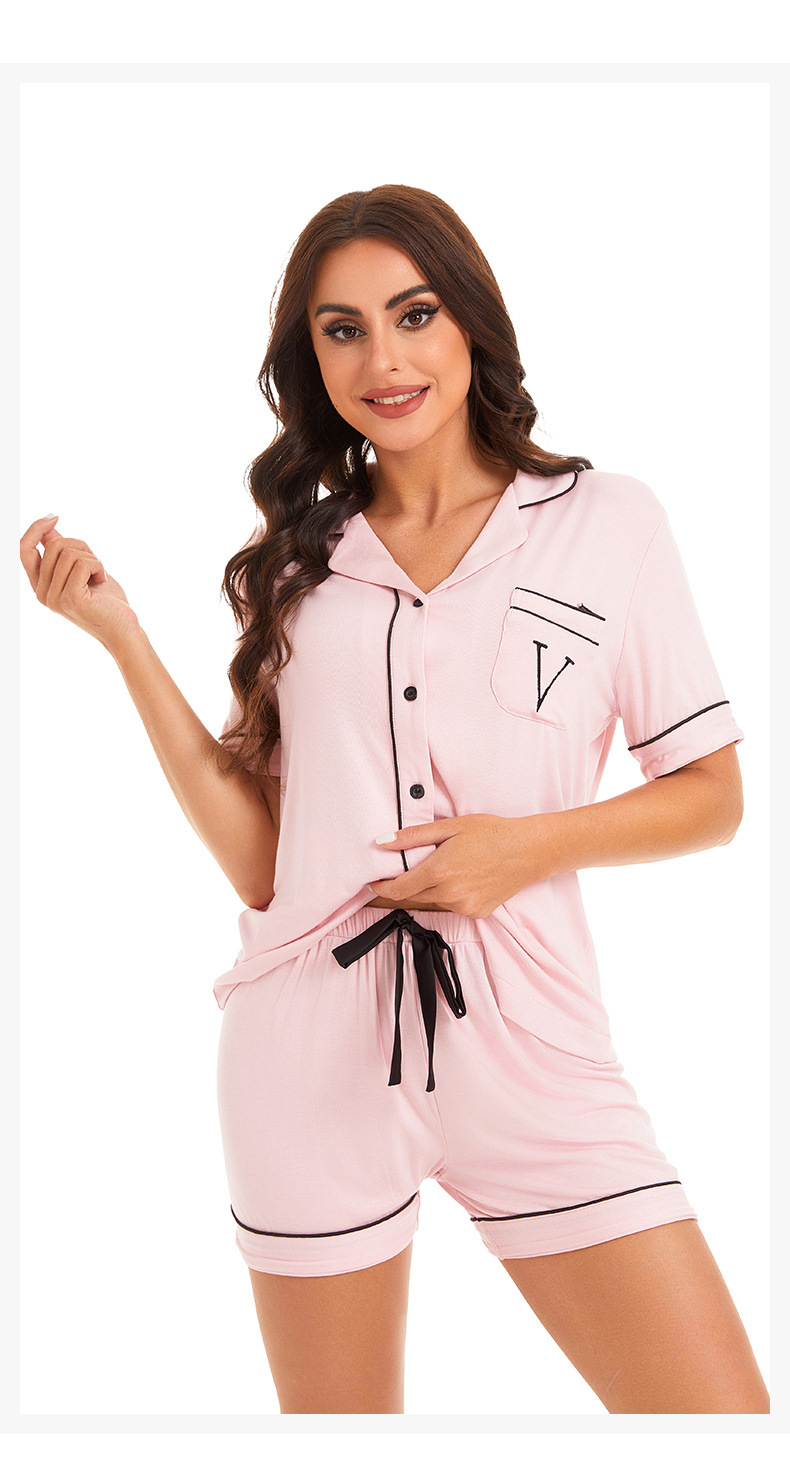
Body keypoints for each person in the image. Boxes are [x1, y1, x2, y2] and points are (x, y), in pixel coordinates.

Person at [19, 183, 769, 1417]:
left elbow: (712, 797)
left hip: (535, 1047)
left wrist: (525, 848)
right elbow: (264, 863)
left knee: (716, 1425)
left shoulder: (605, 524)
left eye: (413, 315)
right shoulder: (297, 568)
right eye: (343, 330)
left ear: (468, 320)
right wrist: (121, 637)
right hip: (305, 1056)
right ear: (312, 361)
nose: (383, 359)